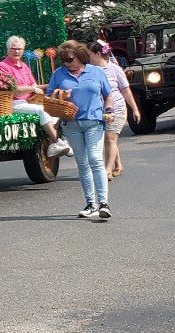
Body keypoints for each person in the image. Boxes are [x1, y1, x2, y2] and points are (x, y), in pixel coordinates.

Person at [48, 41, 115, 219]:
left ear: (80, 56)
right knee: (82, 163)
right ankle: (91, 204)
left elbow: (108, 95)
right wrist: (61, 96)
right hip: (71, 124)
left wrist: (109, 111)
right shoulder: (58, 74)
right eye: (64, 60)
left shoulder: (96, 72)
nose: (67, 63)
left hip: (94, 121)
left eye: (70, 59)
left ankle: (103, 203)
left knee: (95, 159)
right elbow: (49, 97)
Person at [0, 36, 69, 157]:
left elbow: (34, 86)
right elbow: (14, 91)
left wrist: (51, 86)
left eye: (19, 49)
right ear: (7, 49)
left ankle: (53, 145)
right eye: (13, 49)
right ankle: (58, 142)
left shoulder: (24, 66)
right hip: (13, 104)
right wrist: (32, 89)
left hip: (30, 102)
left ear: (23, 50)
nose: (17, 51)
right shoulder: (2, 66)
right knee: (42, 110)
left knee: (55, 109)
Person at [88, 41, 141, 180]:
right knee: (110, 139)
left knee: (110, 138)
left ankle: (107, 170)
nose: (88, 57)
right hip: (99, 110)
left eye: (90, 54)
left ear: (98, 54)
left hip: (116, 108)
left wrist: (135, 109)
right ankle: (118, 165)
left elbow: (126, 90)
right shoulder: (90, 71)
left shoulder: (115, 69)